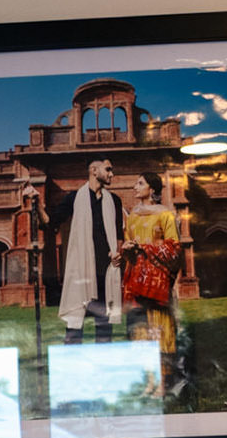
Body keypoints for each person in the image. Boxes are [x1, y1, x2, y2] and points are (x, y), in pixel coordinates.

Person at [119, 173, 184, 395]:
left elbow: (174, 247)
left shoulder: (165, 214)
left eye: (140, 183)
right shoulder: (133, 217)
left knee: (160, 330)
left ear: (152, 189)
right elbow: (129, 243)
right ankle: (149, 381)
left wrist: (146, 248)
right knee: (140, 333)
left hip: (157, 282)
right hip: (136, 281)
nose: (134, 186)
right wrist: (127, 249)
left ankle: (164, 383)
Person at [51, 159, 125, 342]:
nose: (111, 174)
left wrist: (118, 253)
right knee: (74, 327)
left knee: (104, 327)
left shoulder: (114, 200)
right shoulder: (74, 198)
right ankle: (73, 365)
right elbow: (50, 222)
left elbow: (118, 234)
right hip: (81, 270)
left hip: (106, 271)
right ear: (93, 170)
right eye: (108, 169)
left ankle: (102, 364)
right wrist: (34, 202)